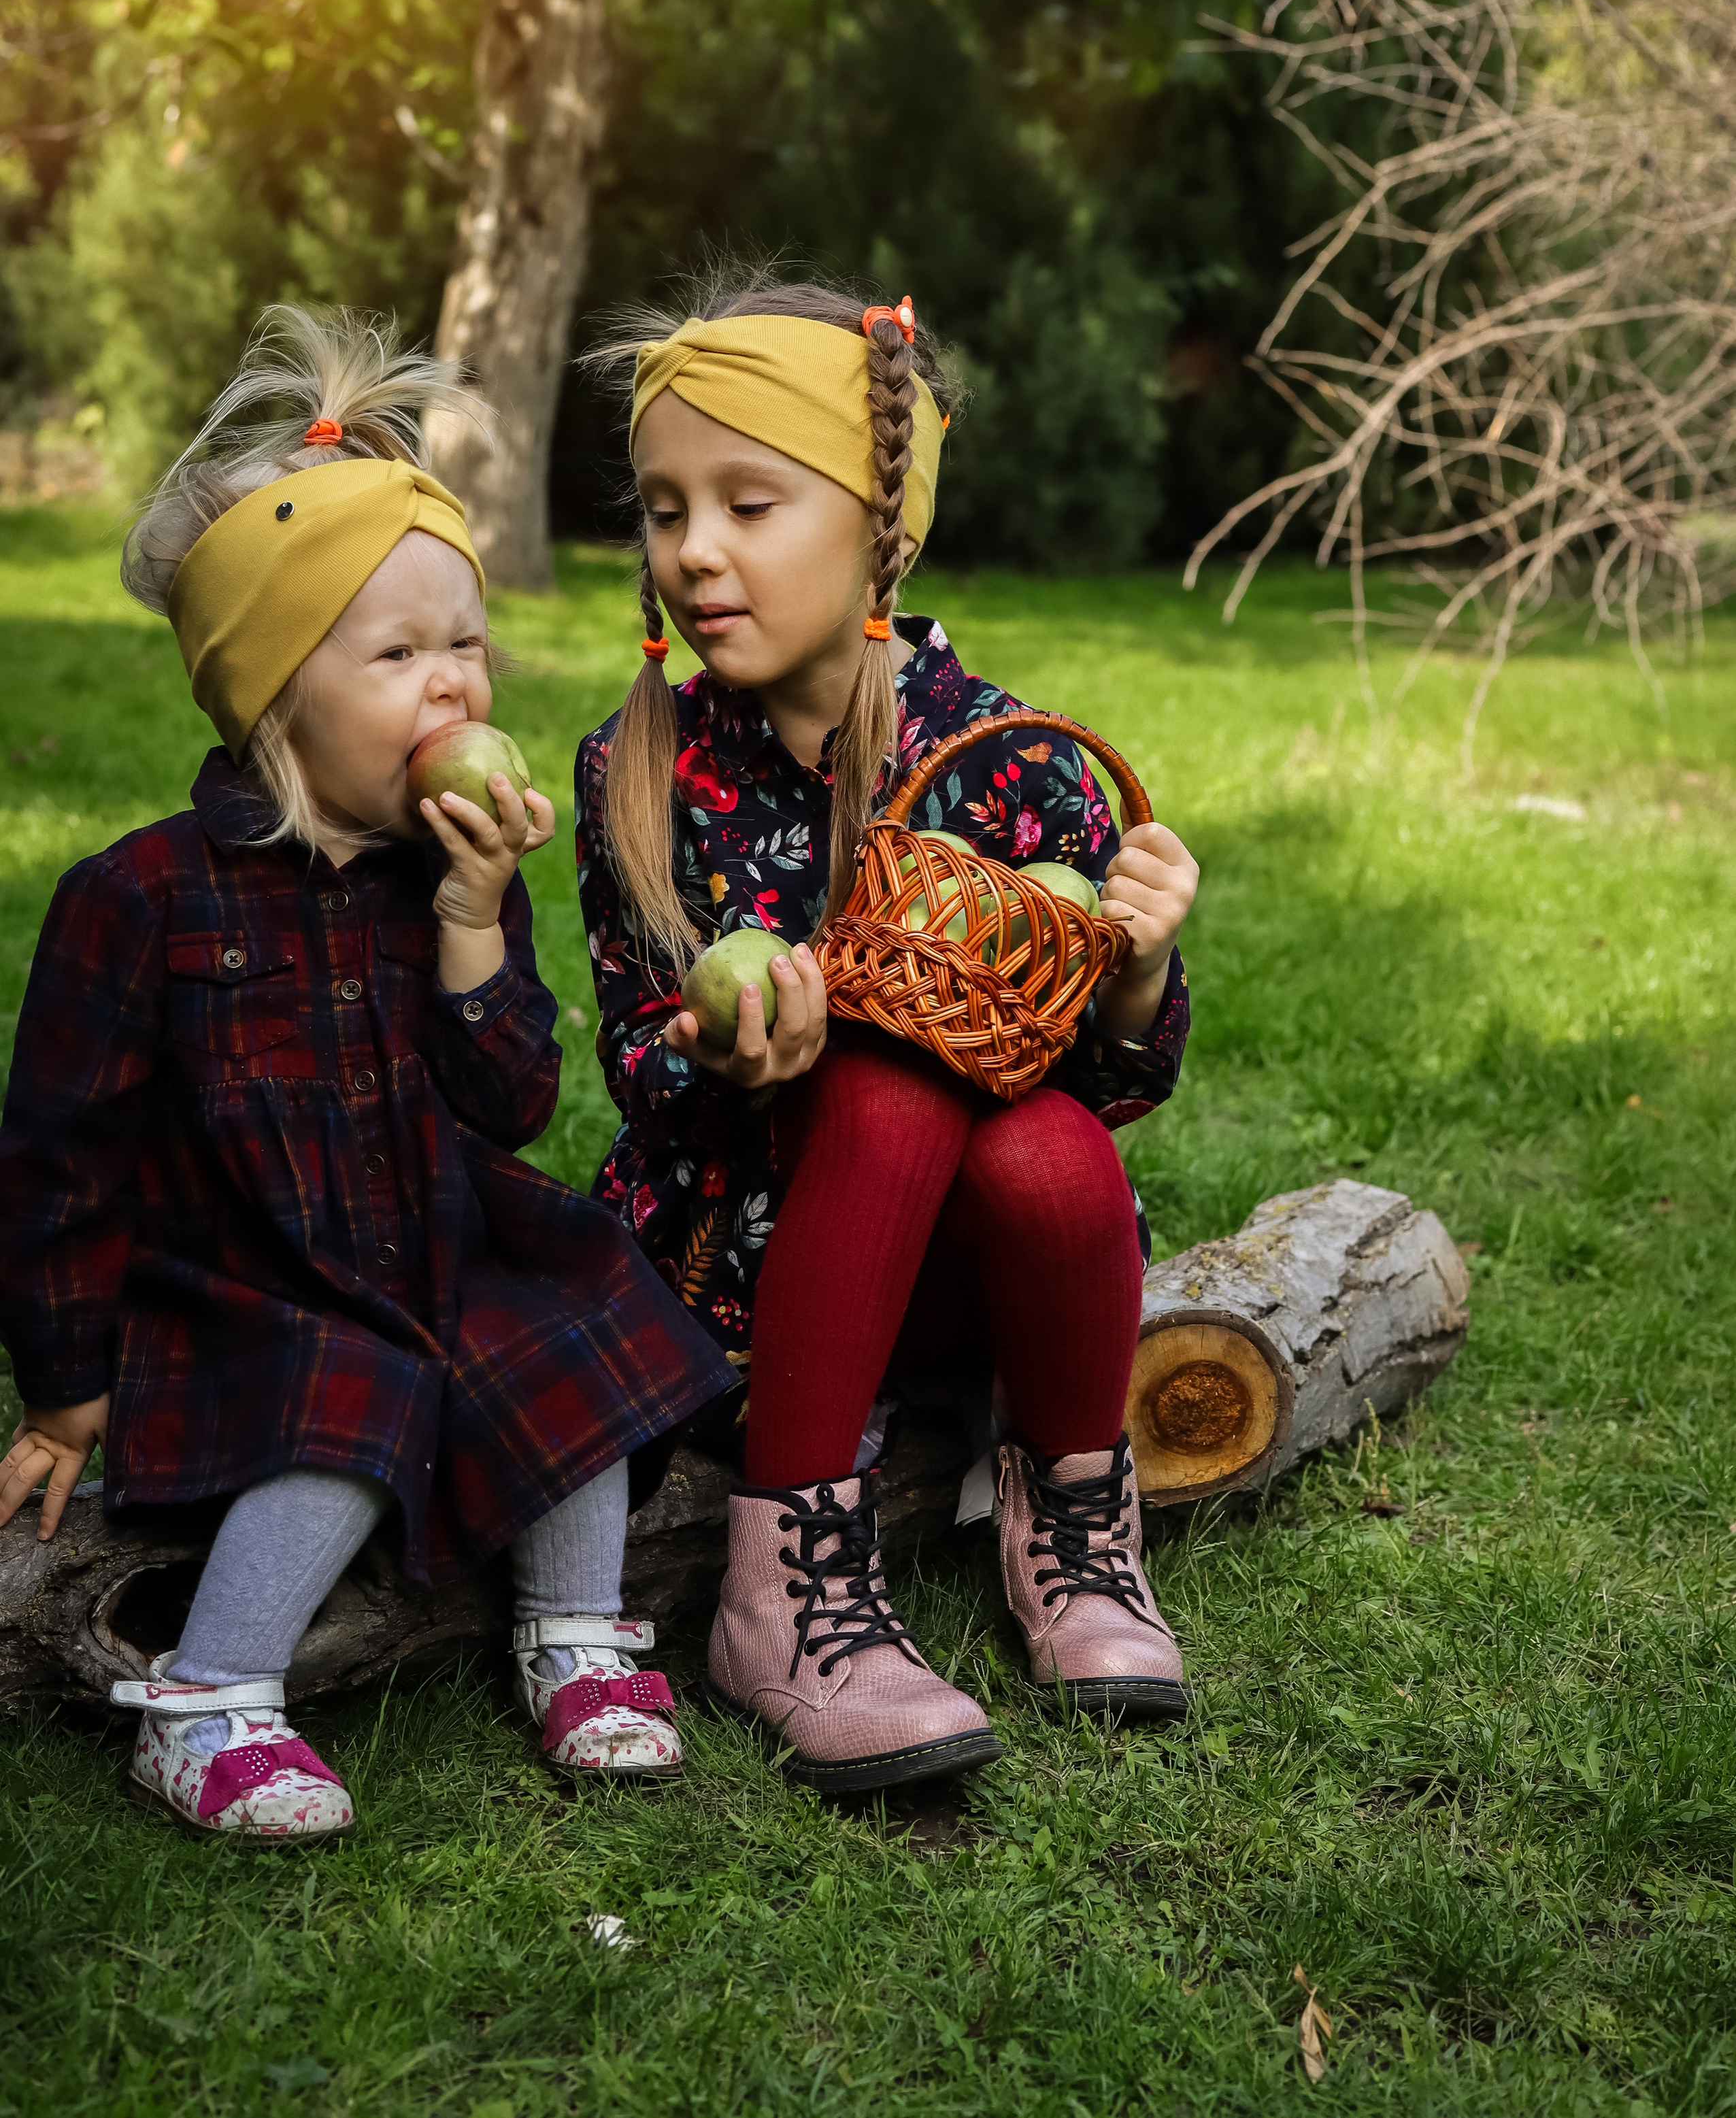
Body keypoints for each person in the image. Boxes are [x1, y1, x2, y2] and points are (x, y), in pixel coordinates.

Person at [0, 307, 736, 1841]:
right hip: (249, 1275)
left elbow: (511, 1105)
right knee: (352, 1388)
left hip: (430, 1230)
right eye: (396, 653)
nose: (453, 686)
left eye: (463, 644)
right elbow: (60, 1157)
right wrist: (66, 1393)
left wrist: (473, 925)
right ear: (274, 698)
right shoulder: (136, 900)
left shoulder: (454, 871)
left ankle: (576, 1632)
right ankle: (207, 1695)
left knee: (575, 1310)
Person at [573, 275, 1199, 1796]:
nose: (693, 550)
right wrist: (721, 1060)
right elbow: (637, 1062)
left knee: (1044, 1149)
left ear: (880, 525)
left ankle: (1068, 1511)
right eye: (664, 510)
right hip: (744, 1274)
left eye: (747, 503)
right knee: (882, 1071)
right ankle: (777, 1586)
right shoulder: (642, 770)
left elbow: (1109, 1083)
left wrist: (1129, 971)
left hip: (955, 1296)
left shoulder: (1006, 761)